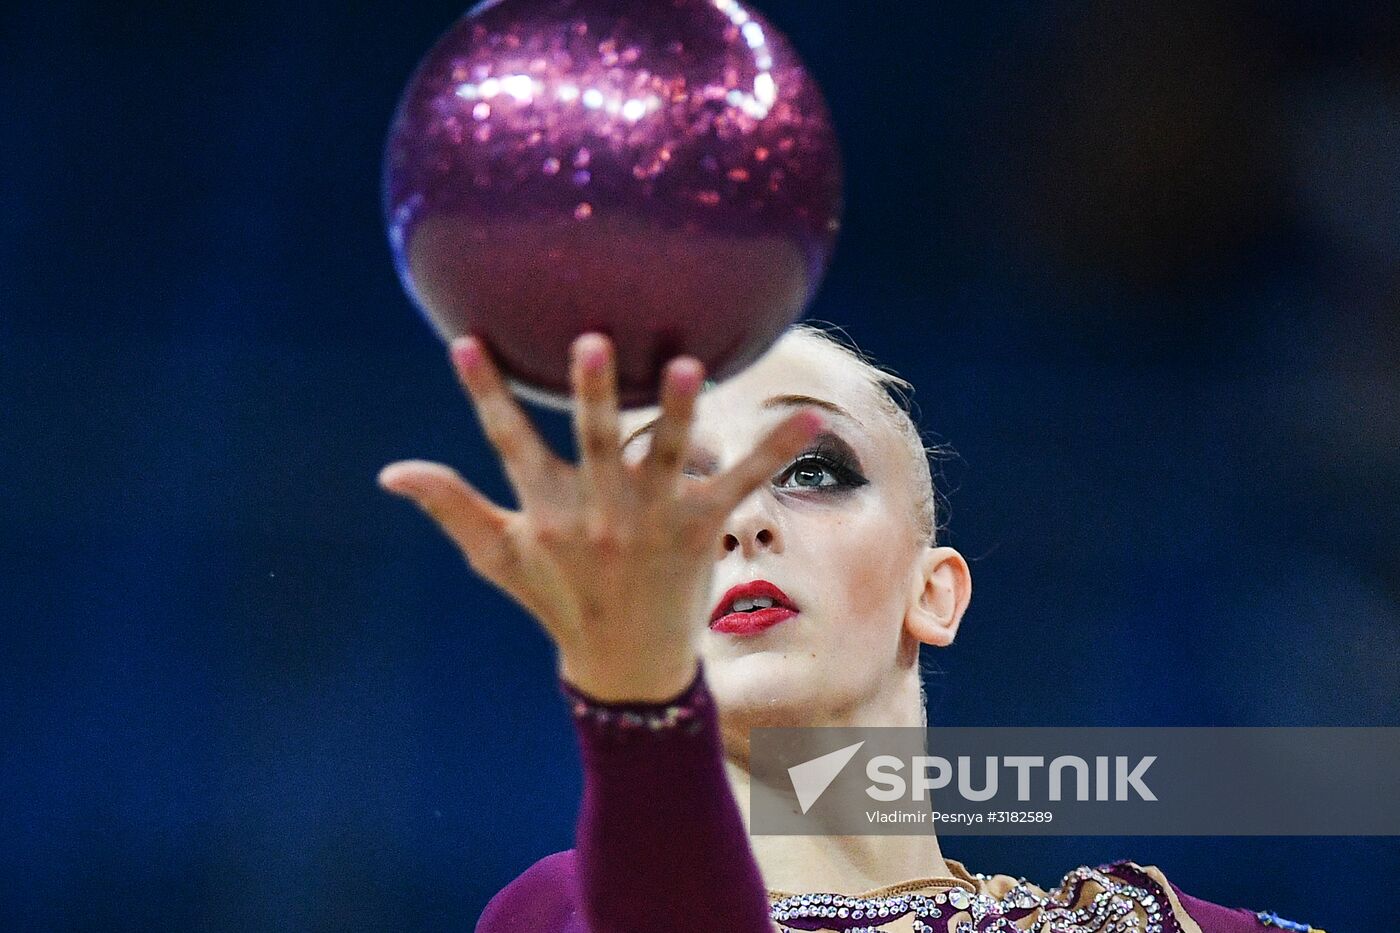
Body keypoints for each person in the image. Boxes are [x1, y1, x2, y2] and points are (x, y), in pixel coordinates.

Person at [378, 323, 1326, 933]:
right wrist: (634, 697)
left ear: (936, 592)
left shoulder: (1157, 922)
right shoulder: (559, 910)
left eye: (815, 469)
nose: (743, 521)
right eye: (676, 491)